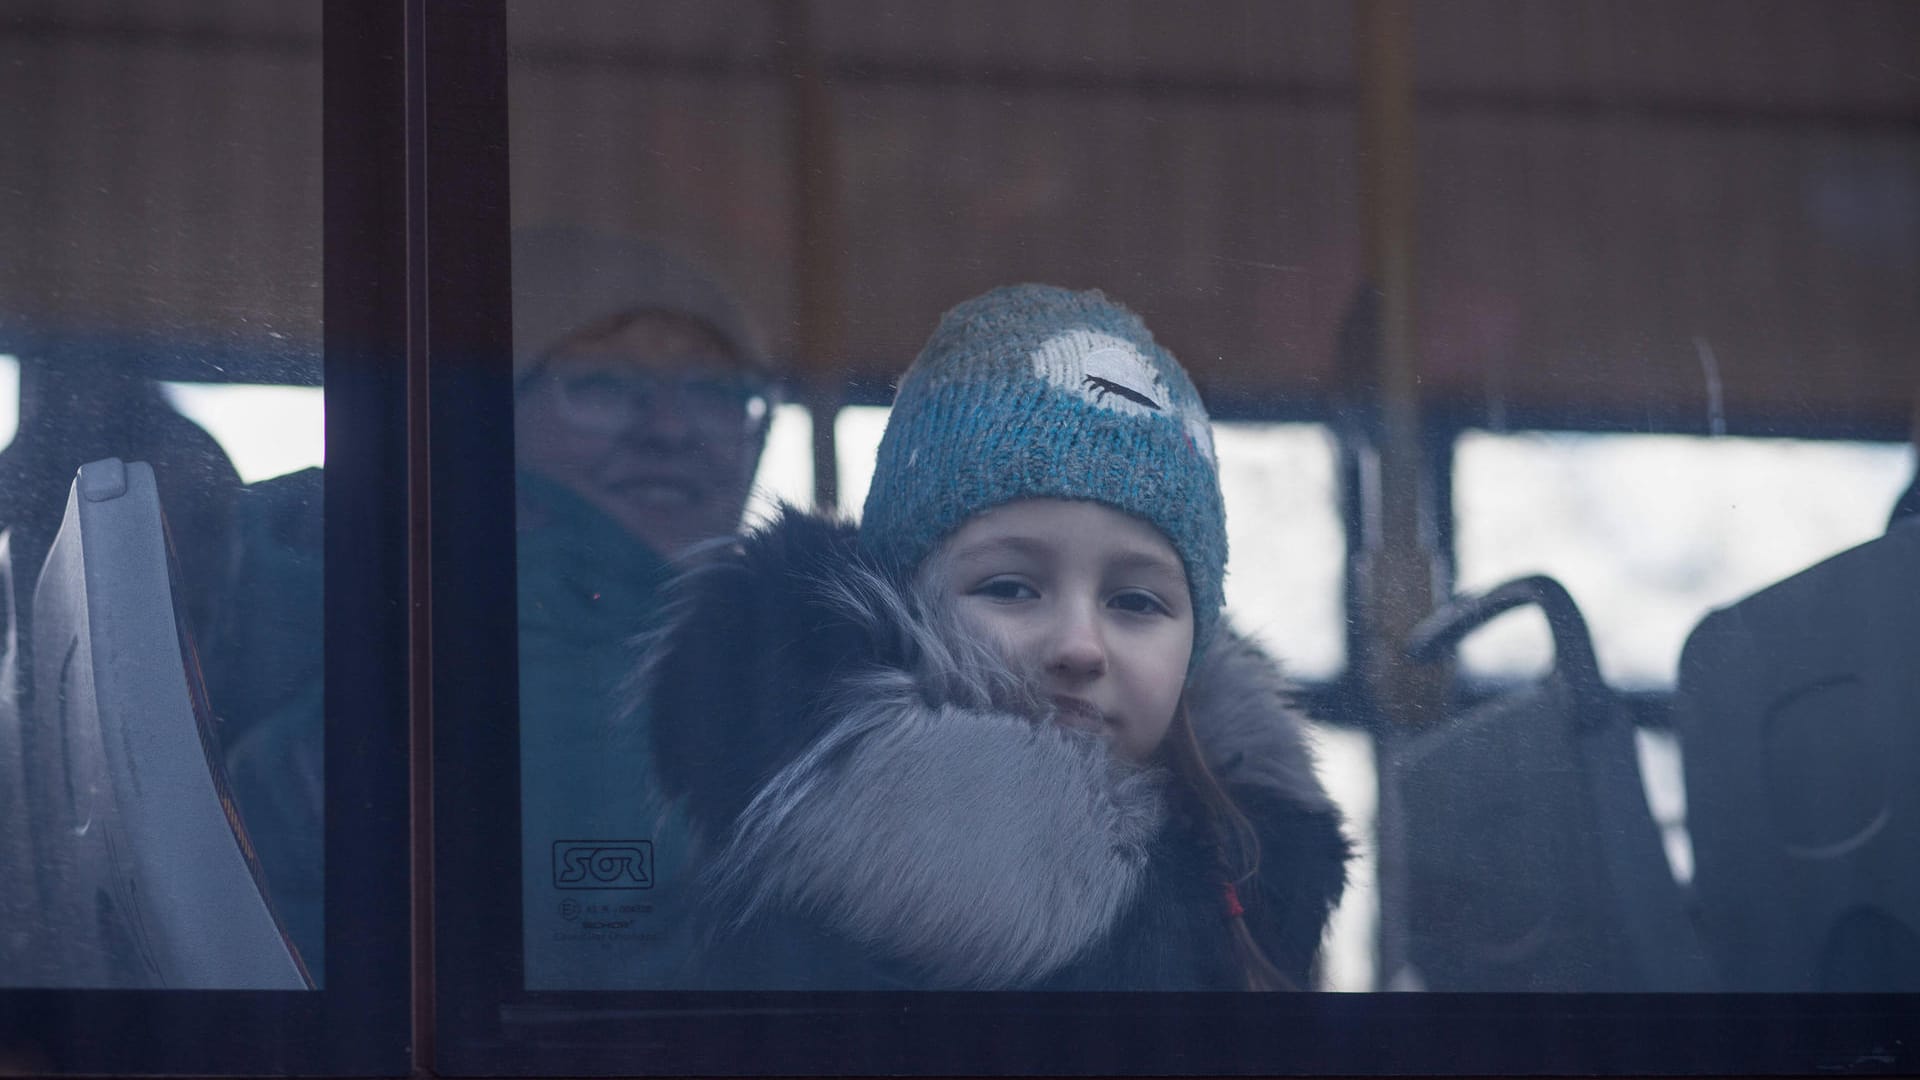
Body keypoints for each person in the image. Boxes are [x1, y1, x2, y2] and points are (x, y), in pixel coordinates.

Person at [640, 284, 1350, 990]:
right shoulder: (811, 935)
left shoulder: (1248, 882)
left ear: (1197, 641)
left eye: (1136, 600)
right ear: (907, 610)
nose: (1080, 645)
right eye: (1010, 588)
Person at [511, 226, 773, 989]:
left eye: (714, 392)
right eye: (600, 385)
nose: (667, 430)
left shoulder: (791, 661)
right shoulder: (425, 658)